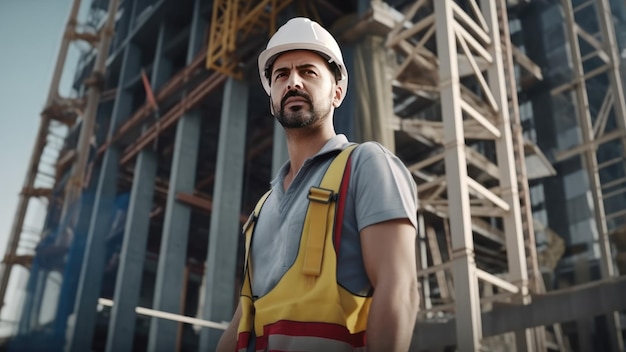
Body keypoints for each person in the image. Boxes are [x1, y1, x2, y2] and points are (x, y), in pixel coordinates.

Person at [217, 17, 419, 352]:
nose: (293, 82)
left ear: (337, 92)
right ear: (272, 101)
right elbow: (243, 318)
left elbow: (399, 289)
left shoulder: (366, 165)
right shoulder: (262, 208)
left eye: (308, 72)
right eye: (281, 75)